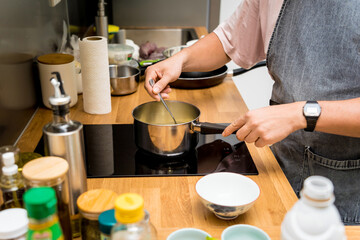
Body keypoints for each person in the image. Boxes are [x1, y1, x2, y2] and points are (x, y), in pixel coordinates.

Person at [144, 0, 360, 225]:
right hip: (279, 170)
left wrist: (300, 114)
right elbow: (229, 39)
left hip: (342, 194)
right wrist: (180, 60)